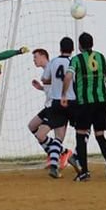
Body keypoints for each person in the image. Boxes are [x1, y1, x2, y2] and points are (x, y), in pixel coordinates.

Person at [61, 32, 106, 181]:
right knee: (100, 135)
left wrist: (64, 95)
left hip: (85, 103)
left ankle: (84, 172)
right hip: (103, 102)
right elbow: (105, 79)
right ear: (92, 43)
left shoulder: (76, 60)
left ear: (79, 45)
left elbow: (68, 77)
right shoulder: (101, 57)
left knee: (81, 135)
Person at [40, 37, 75, 178]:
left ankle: (54, 166)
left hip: (56, 102)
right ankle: (78, 161)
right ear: (72, 50)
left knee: (57, 137)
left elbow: (44, 79)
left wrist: (54, 81)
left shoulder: (53, 61)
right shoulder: (73, 62)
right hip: (71, 101)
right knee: (82, 131)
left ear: (60, 48)